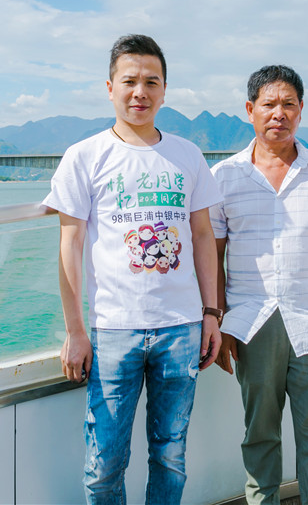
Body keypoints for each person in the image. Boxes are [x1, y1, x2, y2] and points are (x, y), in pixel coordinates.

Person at [43, 34, 223, 505]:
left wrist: (210, 314)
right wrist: (75, 330)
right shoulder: (85, 156)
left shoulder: (187, 155)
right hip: (112, 330)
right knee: (104, 464)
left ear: (164, 91)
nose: (140, 92)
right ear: (110, 88)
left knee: (170, 456)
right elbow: (69, 244)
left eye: (151, 82)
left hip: (181, 327)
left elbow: (203, 236)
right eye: (129, 81)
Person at [210, 64, 308, 505]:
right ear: (250, 110)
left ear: (301, 110)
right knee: (259, 435)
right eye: (269, 104)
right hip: (250, 323)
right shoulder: (224, 176)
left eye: (288, 104)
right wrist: (218, 323)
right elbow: (213, 257)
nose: (278, 113)